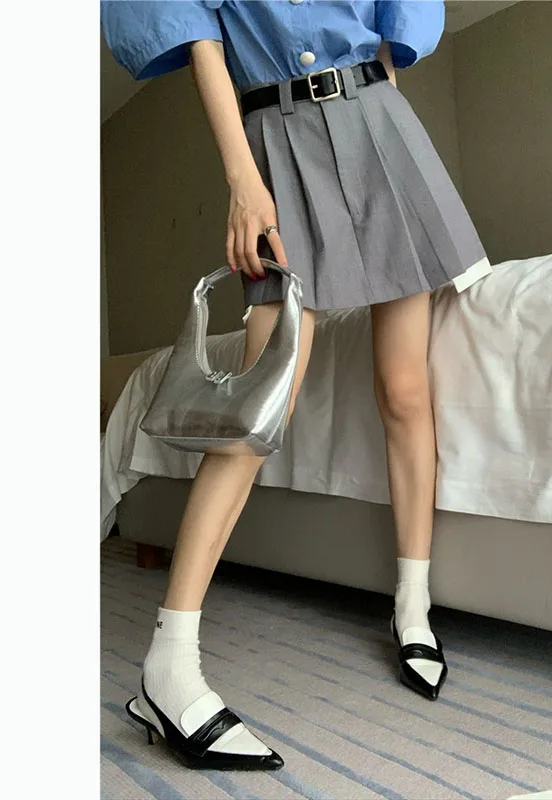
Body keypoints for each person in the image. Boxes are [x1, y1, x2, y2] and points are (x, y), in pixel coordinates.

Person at [101, 0, 491, 771]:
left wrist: (383, 118)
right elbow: (197, 36)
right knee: (256, 408)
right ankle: (168, 664)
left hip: (378, 126)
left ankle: (413, 605)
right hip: (271, 143)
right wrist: (242, 180)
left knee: (405, 390)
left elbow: (398, 28)